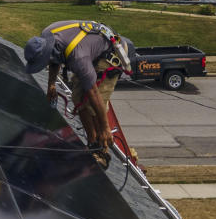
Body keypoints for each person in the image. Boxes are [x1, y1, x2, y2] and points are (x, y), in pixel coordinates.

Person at [23, 20, 135, 157]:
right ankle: (92, 142)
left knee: (92, 106)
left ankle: (101, 150)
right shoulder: (47, 36)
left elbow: (93, 92)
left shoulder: (78, 58)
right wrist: (51, 84)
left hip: (110, 56)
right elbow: (54, 60)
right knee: (77, 97)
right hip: (90, 53)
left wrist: (106, 128)